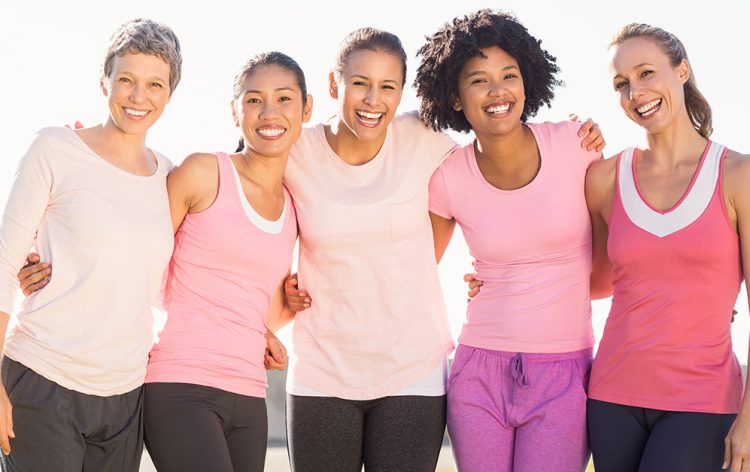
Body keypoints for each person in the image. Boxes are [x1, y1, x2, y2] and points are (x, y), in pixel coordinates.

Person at [282, 26, 603, 472]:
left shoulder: (567, 145)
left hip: (448, 370)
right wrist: (277, 298)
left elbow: (610, 255)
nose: (373, 99)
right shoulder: (303, 153)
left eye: (388, 86)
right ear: (335, 85)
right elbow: (414, 258)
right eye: (360, 83)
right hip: (353, 368)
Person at [414, 9, 609, 472]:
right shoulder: (447, 177)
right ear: (456, 98)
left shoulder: (577, 146)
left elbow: (611, 265)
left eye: (509, 75)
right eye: (478, 80)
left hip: (564, 371)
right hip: (478, 369)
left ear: (528, 82)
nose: (498, 91)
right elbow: (415, 270)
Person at [0, 18, 181, 471]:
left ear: (170, 93)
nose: (138, 97)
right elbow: (4, 262)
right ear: (105, 83)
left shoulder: (170, 177)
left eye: (154, 84)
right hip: (44, 380)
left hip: (125, 396)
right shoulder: (56, 149)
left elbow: (171, 284)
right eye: (126, 80)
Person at [585, 23, 750, 472]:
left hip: (702, 399)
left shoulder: (738, 174)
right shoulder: (603, 178)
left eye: (645, 73)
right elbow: (592, 280)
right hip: (611, 396)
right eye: (622, 83)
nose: (635, 92)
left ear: (681, 70)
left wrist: (749, 419)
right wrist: (495, 278)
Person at [141, 51, 309, 472]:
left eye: (284, 98)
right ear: (235, 112)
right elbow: (136, 255)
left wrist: (274, 324)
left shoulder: (292, 209)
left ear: (307, 108)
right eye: (253, 100)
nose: (269, 112)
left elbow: (249, 304)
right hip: (181, 383)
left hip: (249, 393)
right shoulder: (204, 172)